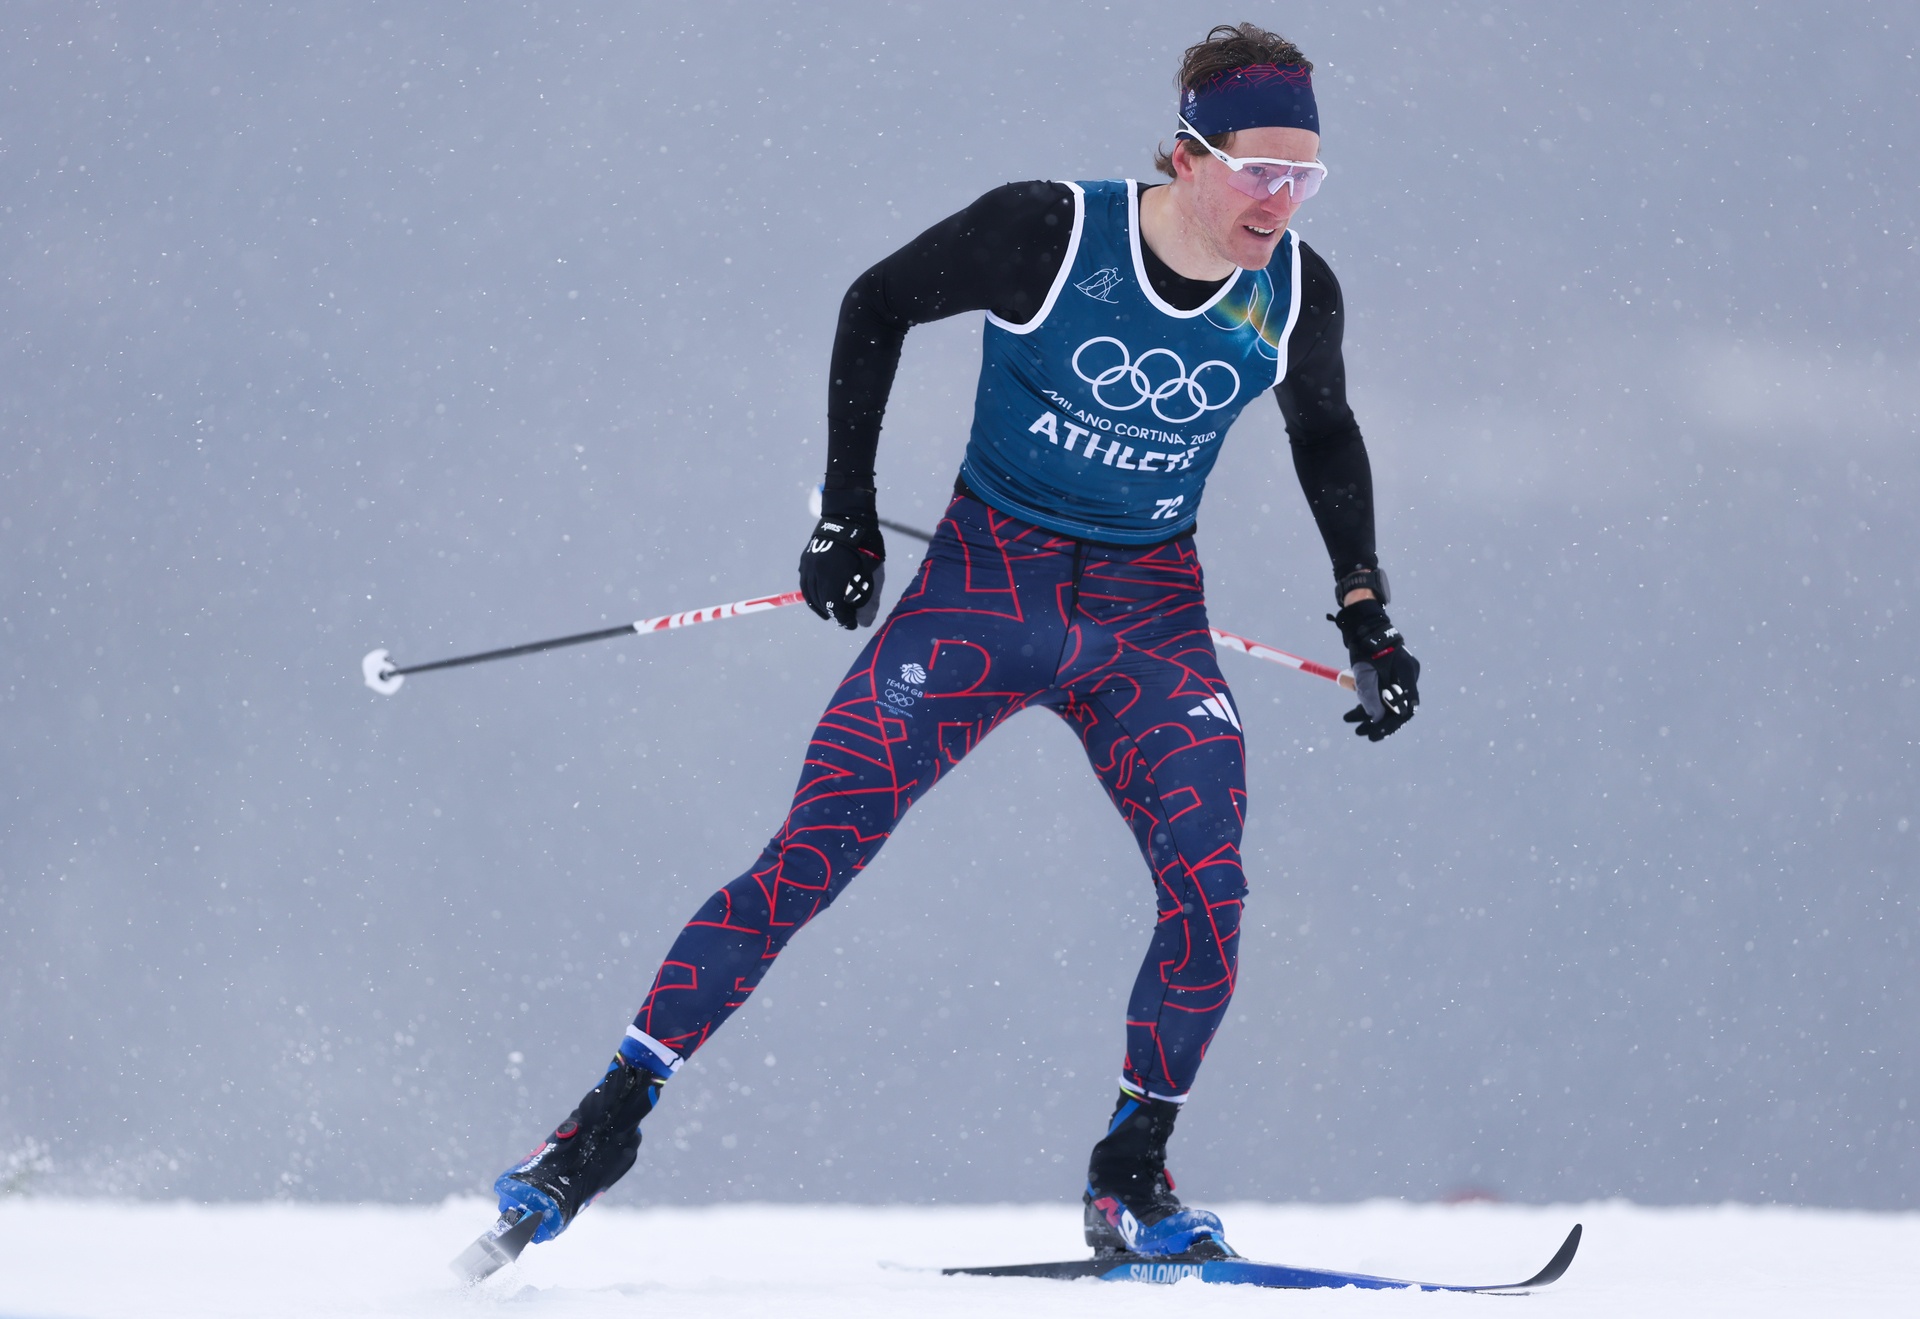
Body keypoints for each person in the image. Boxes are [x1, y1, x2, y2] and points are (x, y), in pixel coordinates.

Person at [489, 21, 1420, 1261]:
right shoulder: (1052, 231)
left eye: (1306, 178)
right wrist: (844, 516)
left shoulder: (1297, 288)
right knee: (809, 858)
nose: (1281, 202)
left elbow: (1324, 432)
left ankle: (1130, 1175)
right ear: (1190, 155)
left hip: (1147, 625)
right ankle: (598, 1126)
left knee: (1212, 887)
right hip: (985, 594)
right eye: (1261, 170)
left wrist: (1367, 610)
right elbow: (876, 304)